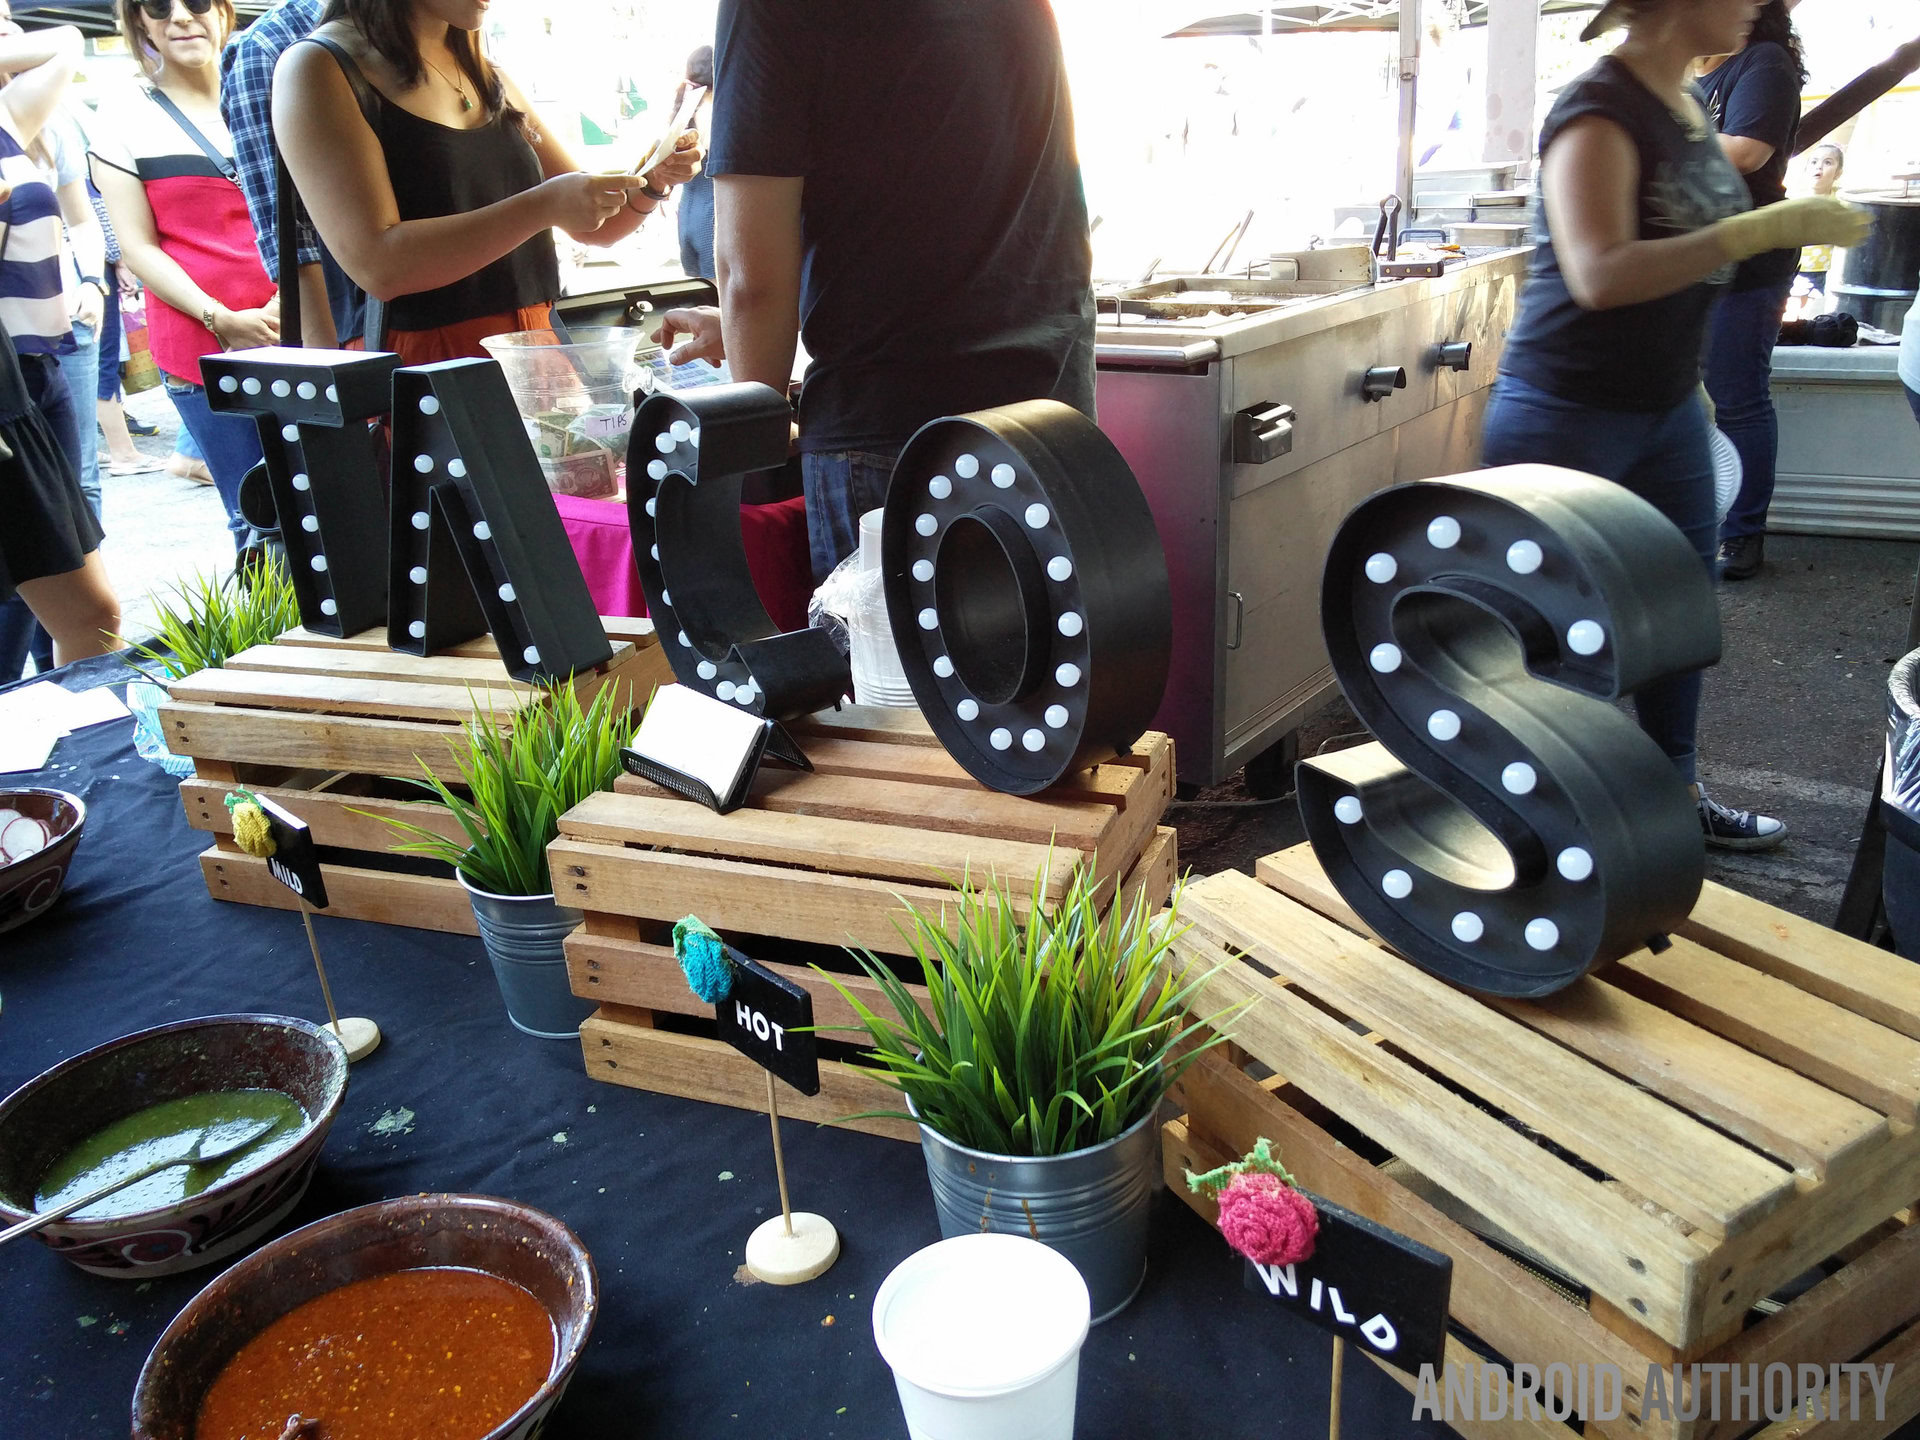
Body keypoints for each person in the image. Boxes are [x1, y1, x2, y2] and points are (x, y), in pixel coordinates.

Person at [1482, 0, 1869, 851]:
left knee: (1678, 614)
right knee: (1564, 635)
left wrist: (1691, 382)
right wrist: (1764, 228)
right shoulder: (1598, 108)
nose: (1757, 4)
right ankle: (1550, 830)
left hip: (1666, 408)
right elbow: (1598, 273)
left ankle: (1673, 792)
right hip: (1568, 415)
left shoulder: (1688, 102)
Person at [662, 0, 1097, 582]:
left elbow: (750, 276)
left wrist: (756, 435)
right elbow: (946, 193)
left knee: (883, 645)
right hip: (1054, 412)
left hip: (895, 431)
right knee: (1045, 637)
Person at [272, 0, 698, 367]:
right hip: (424, 363)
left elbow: (595, 226)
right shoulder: (320, 66)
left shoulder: (485, 70)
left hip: (537, 345)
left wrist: (651, 182)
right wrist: (543, 206)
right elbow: (378, 265)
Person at [91, 0, 276, 554]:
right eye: (158, 6)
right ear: (138, 21)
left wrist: (289, 300)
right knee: (258, 522)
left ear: (222, 11)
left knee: (340, 507)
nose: (180, 17)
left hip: (305, 329)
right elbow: (138, 247)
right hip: (203, 348)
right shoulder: (123, 116)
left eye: (196, 2)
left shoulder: (273, 89)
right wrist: (221, 318)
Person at [1699, 0, 1805, 582]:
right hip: (1691, 254)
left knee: (1737, 396)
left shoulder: (1764, 62)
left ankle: (1742, 533)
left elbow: (1746, 151)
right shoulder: (1694, 72)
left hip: (1750, 259)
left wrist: (1651, 139)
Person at [221, 0, 363, 348]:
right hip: (365, 324)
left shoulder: (441, 25)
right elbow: (288, 233)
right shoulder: (269, 45)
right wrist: (328, 366)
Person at [673, 45, 714, 283]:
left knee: (698, 290)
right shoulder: (712, 108)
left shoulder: (686, 106)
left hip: (688, 210)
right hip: (712, 215)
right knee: (717, 295)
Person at [1793, 142, 1842, 307]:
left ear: (1838, 173)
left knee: (1815, 310)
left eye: (1828, 162)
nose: (1819, 166)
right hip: (1796, 267)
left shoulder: (1840, 202)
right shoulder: (1794, 199)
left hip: (1824, 270)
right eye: (1814, 162)